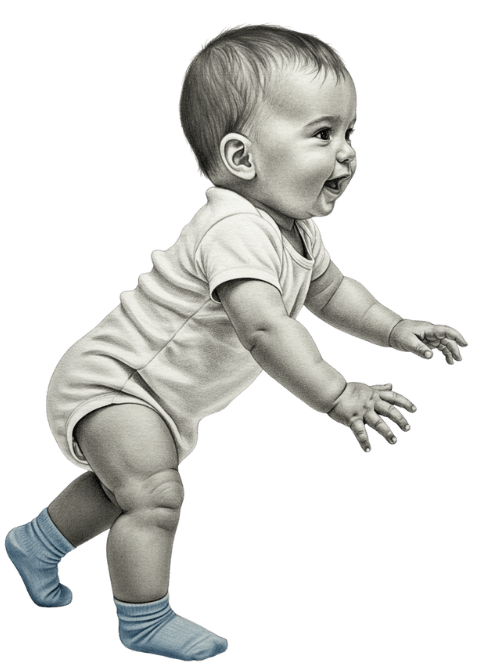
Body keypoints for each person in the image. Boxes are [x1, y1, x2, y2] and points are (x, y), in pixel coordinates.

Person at [4, 23, 467, 662]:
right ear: (244, 159)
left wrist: (391, 326)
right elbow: (265, 329)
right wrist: (338, 395)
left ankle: (37, 544)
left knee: (122, 490)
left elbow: (333, 293)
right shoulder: (234, 229)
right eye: (323, 134)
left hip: (151, 395)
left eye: (350, 133)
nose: (347, 154)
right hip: (117, 382)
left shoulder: (295, 231)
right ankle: (144, 620)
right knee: (155, 497)